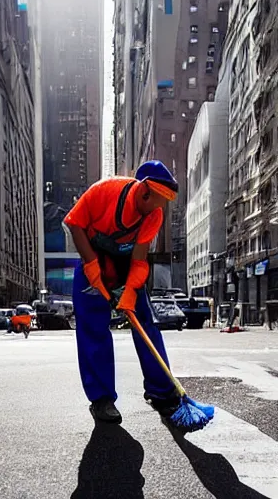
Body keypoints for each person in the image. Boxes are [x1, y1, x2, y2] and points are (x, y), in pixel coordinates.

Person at [64, 160, 180, 424]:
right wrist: (93, 269)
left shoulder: (154, 214)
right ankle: (102, 399)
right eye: (160, 200)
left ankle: (162, 391)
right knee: (92, 326)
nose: (162, 207)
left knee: (145, 322)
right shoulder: (104, 191)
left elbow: (139, 260)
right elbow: (74, 224)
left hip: (125, 264)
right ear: (144, 191)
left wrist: (129, 294)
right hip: (91, 255)